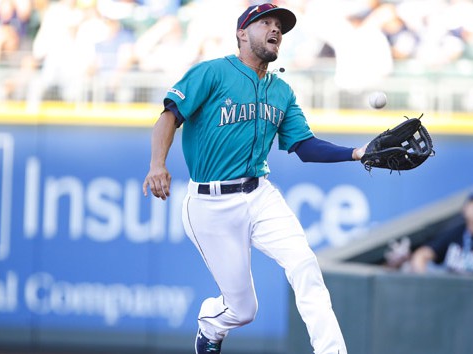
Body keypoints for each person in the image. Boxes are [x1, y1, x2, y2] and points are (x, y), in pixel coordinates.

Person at [142, 3, 371, 353]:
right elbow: (169, 116)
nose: (275, 29)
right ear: (241, 33)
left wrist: (356, 153)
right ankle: (211, 324)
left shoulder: (282, 91)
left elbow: (305, 147)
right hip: (210, 203)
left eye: (279, 25)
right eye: (266, 22)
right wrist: (158, 164)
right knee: (243, 310)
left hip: (259, 194)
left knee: (305, 263)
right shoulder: (213, 72)